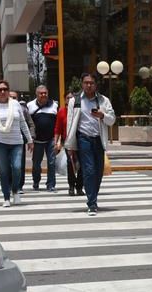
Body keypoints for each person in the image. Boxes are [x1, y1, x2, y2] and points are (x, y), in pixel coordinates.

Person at [66, 73, 117, 216]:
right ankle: (92, 203)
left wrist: (103, 115)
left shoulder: (103, 100)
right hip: (84, 139)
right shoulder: (74, 101)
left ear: (96, 85)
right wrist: (69, 145)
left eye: (92, 83)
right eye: (86, 82)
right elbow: (70, 123)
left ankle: (93, 197)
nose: (89, 85)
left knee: (98, 172)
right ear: (82, 84)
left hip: (99, 139)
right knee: (89, 170)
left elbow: (112, 120)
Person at [0, 80, 33, 208]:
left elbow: (23, 123)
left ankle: (15, 190)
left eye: (5, 89)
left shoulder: (16, 104)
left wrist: (30, 140)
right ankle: (6, 197)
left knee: (17, 168)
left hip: (16, 142)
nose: (3, 92)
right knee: (4, 171)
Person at [28, 85, 59, 192]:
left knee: (52, 162)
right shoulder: (30, 106)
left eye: (45, 93)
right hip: (37, 141)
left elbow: (57, 124)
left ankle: (51, 184)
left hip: (51, 140)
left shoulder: (54, 105)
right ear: (37, 94)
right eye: (41, 93)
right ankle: (36, 181)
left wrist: (57, 140)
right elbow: (28, 124)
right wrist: (29, 140)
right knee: (36, 164)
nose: (43, 95)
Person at [54, 91, 82, 196]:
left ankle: (79, 186)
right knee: (70, 164)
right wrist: (56, 142)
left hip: (80, 141)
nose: (70, 100)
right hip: (68, 142)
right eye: (68, 98)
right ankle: (71, 187)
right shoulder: (61, 111)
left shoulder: (79, 110)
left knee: (82, 165)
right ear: (64, 99)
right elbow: (57, 128)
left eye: (72, 98)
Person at [9, 90, 35, 197]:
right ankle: (9, 185)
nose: (12, 99)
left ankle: (19, 186)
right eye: (10, 97)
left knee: (19, 165)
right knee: (7, 165)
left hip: (19, 141)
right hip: (3, 142)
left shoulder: (23, 110)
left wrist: (30, 138)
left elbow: (30, 124)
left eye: (14, 97)